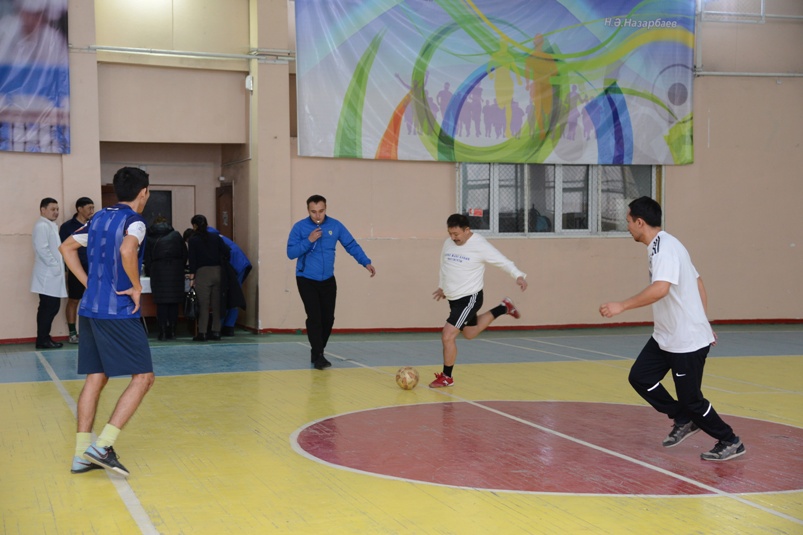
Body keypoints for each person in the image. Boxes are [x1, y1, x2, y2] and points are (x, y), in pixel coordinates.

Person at [599, 196, 745, 462]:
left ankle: (729, 440)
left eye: (628, 221)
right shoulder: (663, 245)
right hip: (666, 335)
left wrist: (622, 305)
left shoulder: (665, 249)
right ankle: (683, 419)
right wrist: (703, 320)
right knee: (641, 377)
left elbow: (660, 289)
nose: (627, 227)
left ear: (640, 222)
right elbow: (698, 281)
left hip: (685, 340)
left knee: (692, 401)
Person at [59, 166, 154, 477]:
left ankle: (80, 455)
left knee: (96, 378)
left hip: (90, 309)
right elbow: (128, 249)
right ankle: (103, 446)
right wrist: (136, 286)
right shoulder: (134, 221)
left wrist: (88, 283)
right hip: (118, 311)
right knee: (144, 377)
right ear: (144, 192)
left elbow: (66, 248)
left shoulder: (97, 218)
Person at [430, 213, 527, 388]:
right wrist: (442, 287)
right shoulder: (448, 243)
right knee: (469, 333)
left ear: (467, 230)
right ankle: (503, 308)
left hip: (469, 298)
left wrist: (518, 275)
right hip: (454, 299)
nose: (453, 238)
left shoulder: (480, 245)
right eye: (450, 234)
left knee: (447, 335)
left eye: (456, 234)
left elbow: (502, 261)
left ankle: (447, 377)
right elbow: (444, 266)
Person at [287, 194, 376, 370]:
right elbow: (291, 253)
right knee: (315, 318)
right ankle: (319, 355)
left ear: (325, 209)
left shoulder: (335, 226)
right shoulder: (300, 227)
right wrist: (309, 240)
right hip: (306, 278)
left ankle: (317, 351)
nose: (317, 215)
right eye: (313, 212)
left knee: (328, 319)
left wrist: (365, 262)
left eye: (321, 211)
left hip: (327, 279)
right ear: (308, 210)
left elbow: (351, 245)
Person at [187, 214, 230, 341]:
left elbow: (192, 260)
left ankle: (202, 333)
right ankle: (216, 331)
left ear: (194, 225)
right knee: (217, 303)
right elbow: (227, 251)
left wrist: (192, 278)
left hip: (203, 273)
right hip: (217, 271)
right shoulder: (215, 237)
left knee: (203, 304)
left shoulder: (193, 240)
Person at [31, 197, 67, 349]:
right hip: (47, 274)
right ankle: (42, 339)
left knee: (51, 308)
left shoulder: (49, 225)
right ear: (43, 210)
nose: (56, 212)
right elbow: (42, 249)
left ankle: (44, 337)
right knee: (48, 308)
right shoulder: (42, 226)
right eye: (53, 209)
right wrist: (55, 266)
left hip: (52, 274)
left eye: (57, 209)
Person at [143, 216, 187, 340]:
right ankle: (172, 331)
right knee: (173, 303)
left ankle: (162, 332)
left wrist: (152, 269)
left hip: (158, 272)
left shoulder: (149, 237)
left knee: (161, 304)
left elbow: (147, 258)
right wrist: (179, 267)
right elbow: (184, 253)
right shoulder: (176, 235)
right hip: (176, 271)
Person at [59, 197, 95, 344]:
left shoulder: (95, 224)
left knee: (94, 299)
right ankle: (72, 333)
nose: (92, 211)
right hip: (76, 269)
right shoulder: (67, 227)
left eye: (93, 208)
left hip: (93, 268)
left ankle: (93, 332)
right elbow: (64, 249)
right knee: (74, 300)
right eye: (89, 208)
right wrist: (66, 269)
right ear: (79, 209)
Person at [208, 226, 251, 337]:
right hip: (240, 264)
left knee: (228, 296)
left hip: (235, 266)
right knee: (233, 295)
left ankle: (221, 326)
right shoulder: (217, 236)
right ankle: (229, 326)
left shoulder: (210, 239)